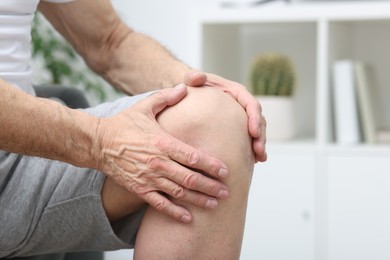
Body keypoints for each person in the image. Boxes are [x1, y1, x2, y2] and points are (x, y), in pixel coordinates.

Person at [0, 0, 267, 259]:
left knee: (215, 125)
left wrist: (195, 85)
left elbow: (111, 41)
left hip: (20, 164)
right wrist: (101, 141)